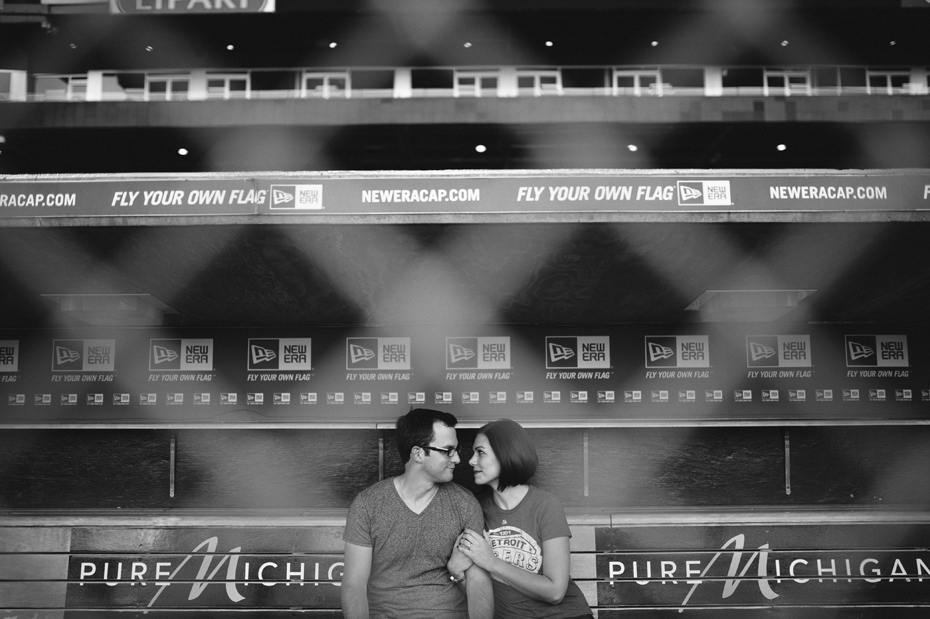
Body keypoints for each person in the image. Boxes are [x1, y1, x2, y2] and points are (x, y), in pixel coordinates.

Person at [341, 408, 494, 619]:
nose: (457, 459)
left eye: (456, 449)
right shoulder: (368, 505)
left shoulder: (465, 504)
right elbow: (354, 585)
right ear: (418, 454)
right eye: (448, 450)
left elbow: (478, 581)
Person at [448, 418, 593, 619]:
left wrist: (492, 563)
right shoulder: (475, 509)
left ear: (505, 454)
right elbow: (479, 594)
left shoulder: (545, 505)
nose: (472, 461)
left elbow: (555, 592)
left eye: (480, 452)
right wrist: (457, 574)